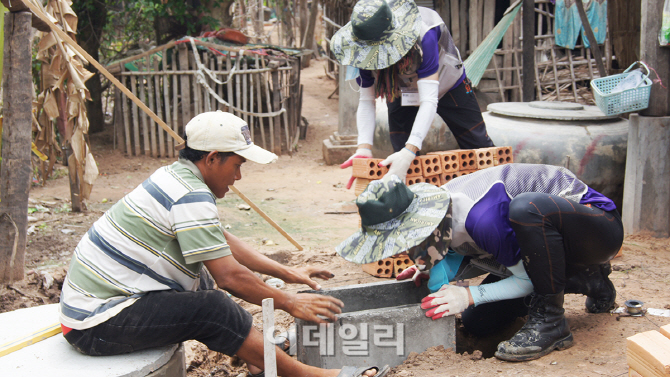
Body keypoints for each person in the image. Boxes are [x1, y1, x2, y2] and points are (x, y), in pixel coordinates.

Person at [59, 111, 388, 377]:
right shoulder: (190, 194)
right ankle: (307, 375)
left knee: (200, 277)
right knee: (212, 307)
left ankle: (259, 359)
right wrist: (291, 303)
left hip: (99, 308)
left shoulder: (177, 176)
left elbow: (220, 241)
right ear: (213, 158)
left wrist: (289, 271)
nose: (238, 177)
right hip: (97, 323)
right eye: (238, 164)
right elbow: (230, 277)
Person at [335, 164, 623, 361]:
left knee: (525, 209)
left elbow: (525, 280)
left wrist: (470, 293)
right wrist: (435, 265)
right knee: (479, 321)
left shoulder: (481, 217)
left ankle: (551, 323)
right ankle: (587, 279)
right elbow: (463, 248)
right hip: (548, 250)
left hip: (596, 229)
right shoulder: (444, 212)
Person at [331, 0, 494, 186]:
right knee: (401, 158)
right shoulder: (360, 50)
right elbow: (367, 100)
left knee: (479, 146)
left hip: (447, 82)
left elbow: (429, 100)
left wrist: (410, 150)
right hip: (399, 88)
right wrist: (364, 147)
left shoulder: (426, 33)